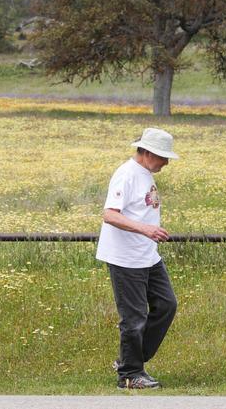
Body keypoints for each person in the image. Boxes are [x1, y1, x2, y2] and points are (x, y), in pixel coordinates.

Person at [96, 127, 180, 389]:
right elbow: (110, 214)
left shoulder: (145, 174)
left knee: (167, 305)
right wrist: (146, 229)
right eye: (162, 156)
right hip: (125, 259)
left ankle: (129, 360)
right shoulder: (126, 174)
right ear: (146, 152)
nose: (166, 162)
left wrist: (148, 234)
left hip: (147, 255)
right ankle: (130, 376)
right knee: (133, 319)